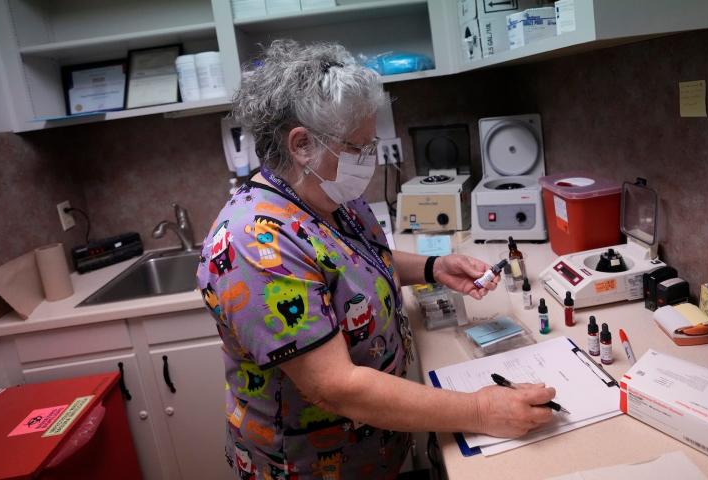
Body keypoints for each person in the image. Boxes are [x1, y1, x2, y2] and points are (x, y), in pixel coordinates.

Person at [196, 40, 557, 479]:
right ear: (302, 144)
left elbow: (356, 260)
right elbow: (338, 389)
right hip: (309, 467)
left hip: (375, 453)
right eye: (358, 147)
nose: (369, 160)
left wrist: (432, 267)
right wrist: (481, 410)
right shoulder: (252, 244)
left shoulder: (327, 195)